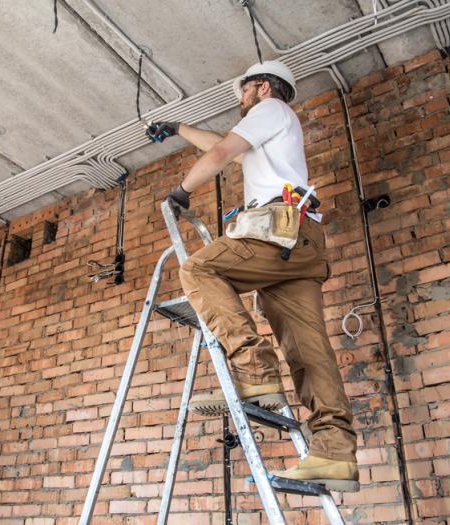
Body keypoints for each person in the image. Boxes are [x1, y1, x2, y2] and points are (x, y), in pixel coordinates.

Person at [146, 61, 358, 491]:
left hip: (279, 232)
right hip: (300, 245)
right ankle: (335, 453)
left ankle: (254, 369)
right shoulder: (274, 128)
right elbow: (222, 144)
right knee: (308, 350)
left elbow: (220, 154)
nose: (240, 100)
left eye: (243, 91)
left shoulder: (270, 109)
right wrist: (179, 128)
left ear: (261, 87)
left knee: (199, 268)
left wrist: (181, 192)